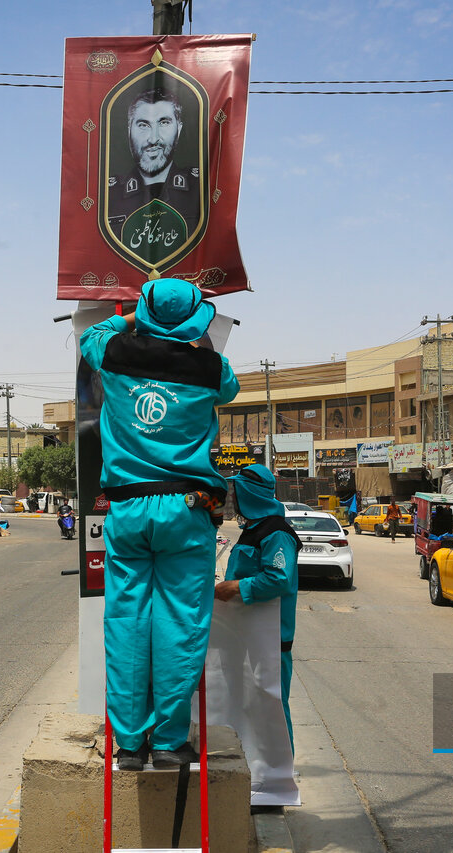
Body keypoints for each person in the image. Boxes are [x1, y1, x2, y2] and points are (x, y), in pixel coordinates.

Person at [79, 278, 239, 771]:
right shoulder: (211, 368)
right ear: (195, 319)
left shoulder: (113, 352)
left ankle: (129, 744)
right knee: (180, 623)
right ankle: (168, 742)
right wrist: (193, 334)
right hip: (185, 511)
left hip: (127, 510)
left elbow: (91, 335)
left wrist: (135, 316)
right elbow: (230, 388)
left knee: (126, 622)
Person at [214, 464, 300, 750]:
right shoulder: (253, 528)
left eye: (236, 490)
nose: (232, 496)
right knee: (252, 705)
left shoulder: (276, 533)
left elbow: (279, 578)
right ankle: (259, 762)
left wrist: (235, 588)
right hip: (249, 634)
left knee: (272, 706)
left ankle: (283, 768)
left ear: (249, 493)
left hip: (271, 641)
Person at [105, 89, 201, 250]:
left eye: (164, 123)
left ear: (179, 129)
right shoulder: (105, 196)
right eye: (143, 125)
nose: (153, 139)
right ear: (129, 130)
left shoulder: (202, 189)